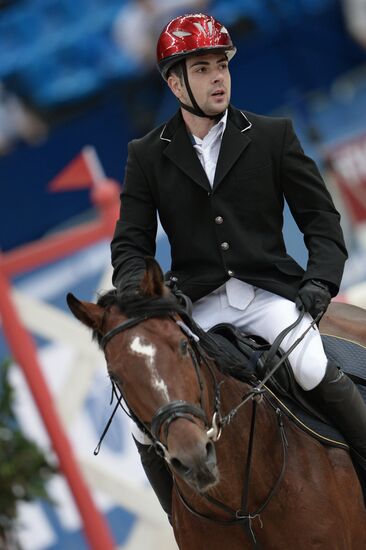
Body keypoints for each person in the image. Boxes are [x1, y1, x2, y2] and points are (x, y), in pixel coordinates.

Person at [111, 13, 366, 518]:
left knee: (313, 367)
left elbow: (320, 219)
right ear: (175, 81)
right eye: (202, 68)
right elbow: (130, 245)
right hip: (197, 308)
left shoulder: (273, 135)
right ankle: (182, 521)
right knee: (141, 425)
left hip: (268, 297)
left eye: (222, 65)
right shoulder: (147, 155)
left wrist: (320, 281)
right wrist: (141, 299)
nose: (219, 77)